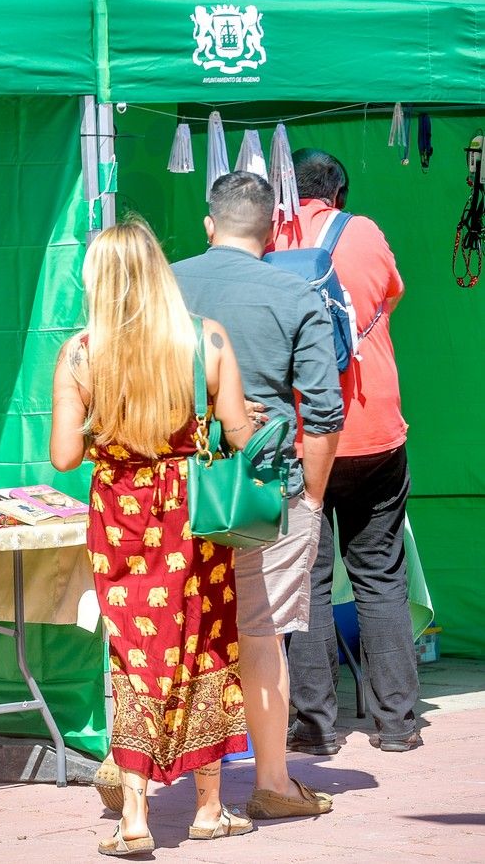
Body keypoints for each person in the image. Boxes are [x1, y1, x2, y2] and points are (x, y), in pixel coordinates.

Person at [51, 218, 256, 856]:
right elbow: (241, 438)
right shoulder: (207, 341)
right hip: (191, 514)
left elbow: (62, 456)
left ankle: (135, 817)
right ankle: (208, 809)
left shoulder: (81, 354)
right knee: (205, 643)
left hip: (120, 516)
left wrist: (107, 434)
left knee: (136, 655)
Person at [172, 170, 343, 820]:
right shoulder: (298, 294)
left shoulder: (168, 286)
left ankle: (140, 770)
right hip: (265, 493)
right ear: (274, 230)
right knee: (262, 636)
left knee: (174, 629)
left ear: (209, 225)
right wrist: (312, 500)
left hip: (182, 486)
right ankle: (271, 780)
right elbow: (324, 414)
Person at [274, 149, 420, 753]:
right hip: (376, 428)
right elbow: (394, 292)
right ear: (338, 190)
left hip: (307, 433)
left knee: (306, 582)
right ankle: (398, 725)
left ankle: (314, 730)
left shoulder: (271, 236)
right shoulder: (362, 231)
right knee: (380, 577)